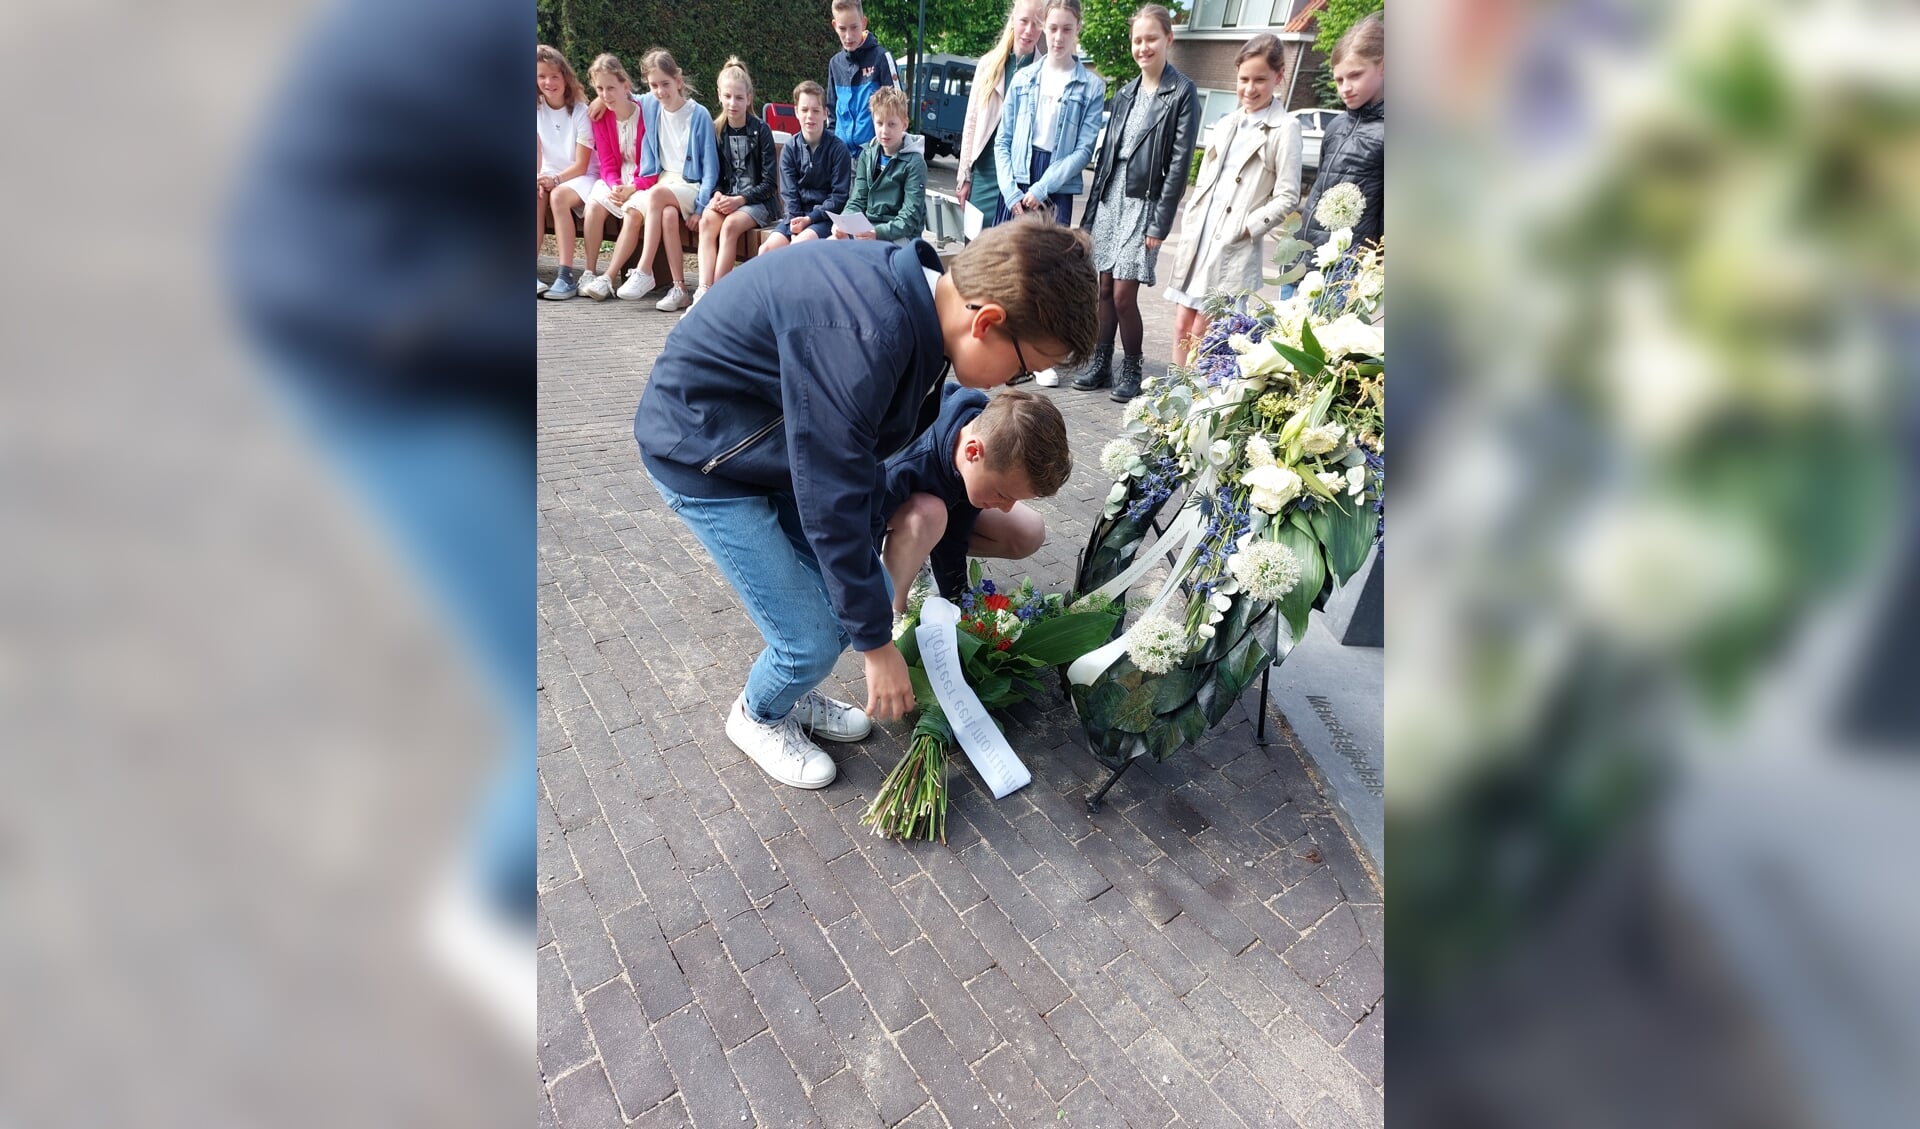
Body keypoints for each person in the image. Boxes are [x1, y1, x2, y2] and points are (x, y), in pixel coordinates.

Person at [632, 219, 1098, 789]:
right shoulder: (867, 336)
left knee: (861, 599)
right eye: (1025, 365)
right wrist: (877, 647)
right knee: (808, 637)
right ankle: (758, 715)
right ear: (988, 322)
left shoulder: (917, 320)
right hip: (708, 454)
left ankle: (794, 689)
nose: (1018, 380)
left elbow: (855, 467)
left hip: (771, 450)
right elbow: (831, 496)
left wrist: (871, 613)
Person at [1073, 4, 1199, 401]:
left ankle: (1133, 366)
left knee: (1125, 295)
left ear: (1168, 39)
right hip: (1112, 198)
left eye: (1151, 39)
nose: (1143, 47)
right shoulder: (1125, 92)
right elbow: (1108, 157)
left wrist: (1160, 224)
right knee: (1104, 289)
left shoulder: (1181, 92)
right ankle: (1101, 363)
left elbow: (1179, 165)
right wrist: (1091, 217)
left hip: (1143, 203)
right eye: (1137, 40)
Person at [1162, 33, 1301, 366]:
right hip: (1201, 237)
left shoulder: (1285, 128)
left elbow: (1288, 195)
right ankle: (1171, 393)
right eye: (1244, 79)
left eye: (1260, 80)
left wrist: (1247, 227)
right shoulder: (1226, 123)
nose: (1250, 89)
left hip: (1233, 243)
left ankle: (1195, 398)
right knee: (1182, 322)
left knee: (1205, 329)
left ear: (1279, 76)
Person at [880, 386, 1068, 622]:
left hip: (930, 505)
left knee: (1028, 531)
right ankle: (893, 608)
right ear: (973, 452)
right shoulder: (903, 463)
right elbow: (861, 529)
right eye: (1002, 494)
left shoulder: (985, 445)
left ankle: (915, 548)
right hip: (866, 506)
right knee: (929, 514)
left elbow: (954, 535)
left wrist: (956, 602)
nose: (1007, 507)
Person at [621, 48, 718, 311]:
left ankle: (644, 270)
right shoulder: (651, 104)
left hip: (691, 185)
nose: (660, 91)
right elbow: (624, 94)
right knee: (664, 214)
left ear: (678, 80)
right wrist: (597, 101)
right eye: (654, 85)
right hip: (666, 183)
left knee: (655, 195)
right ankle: (679, 289)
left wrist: (700, 207)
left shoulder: (699, 115)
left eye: (665, 84)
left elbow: (710, 169)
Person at [992, 0, 1105, 226]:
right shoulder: (1022, 79)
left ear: (1078, 28)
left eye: (1067, 29)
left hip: (1057, 185)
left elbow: (1083, 151)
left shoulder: (1092, 87)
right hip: (1017, 181)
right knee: (1005, 259)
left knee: (1047, 260)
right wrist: (1009, 190)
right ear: (1044, 26)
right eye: (1053, 28)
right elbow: (1003, 141)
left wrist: (1043, 187)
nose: (1058, 37)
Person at [692, 57, 780, 306]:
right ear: (719, 95)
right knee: (708, 221)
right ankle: (703, 289)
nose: (733, 103)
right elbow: (718, 176)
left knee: (730, 226)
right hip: (730, 198)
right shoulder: (717, 129)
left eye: (739, 98)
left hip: (759, 202)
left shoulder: (761, 131)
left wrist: (740, 199)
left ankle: (717, 297)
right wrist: (718, 195)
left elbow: (769, 184)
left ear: (749, 98)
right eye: (728, 96)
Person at [1297, 11, 1383, 251]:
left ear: (1383, 66)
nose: (1345, 88)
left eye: (1355, 75)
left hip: (1346, 273)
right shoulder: (1336, 126)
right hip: (1305, 262)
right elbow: (1318, 190)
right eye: (1339, 80)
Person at [954, 0, 1043, 230]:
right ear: (1013, 20)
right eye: (1024, 21)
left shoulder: (1044, 71)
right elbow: (971, 122)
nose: (1029, 30)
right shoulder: (988, 64)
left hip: (1019, 180)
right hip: (984, 173)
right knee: (975, 249)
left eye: (1036, 23)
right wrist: (964, 176)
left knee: (1008, 255)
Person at [578, 54, 656, 301]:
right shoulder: (600, 117)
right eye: (599, 89)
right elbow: (608, 162)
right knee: (593, 205)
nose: (605, 95)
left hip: (644, 181)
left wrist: (632, 188)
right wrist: (615, 186)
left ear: (625, 85)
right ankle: (589, 271)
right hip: (618, 179)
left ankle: (607, 278)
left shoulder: (647, 112)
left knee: (633, 213)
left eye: (611, 87)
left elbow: (654, 165)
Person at [537, 45, 599, 300]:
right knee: (536, 193)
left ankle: (565, 276)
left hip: (582, 177)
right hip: (551, 173)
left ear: (565, 77)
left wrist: (556, 180)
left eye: (554, 76)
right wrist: (540, 178)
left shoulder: (581, 111)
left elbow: (582, 165)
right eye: (541, 76)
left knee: (558, 196)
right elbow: (537, 155)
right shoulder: (535, 108)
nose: (548, 82)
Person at [759, 82, 852, 254]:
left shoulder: (839, 150)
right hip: (796, 218)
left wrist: (809, 220)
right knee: (764, 251)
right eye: (804, 110)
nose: (810, 116)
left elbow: (839, 198)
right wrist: (795, 223)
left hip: (824, 219)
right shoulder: (789, 149)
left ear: (825, 113)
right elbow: (789, 194)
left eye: (816, 110)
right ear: (796, 112)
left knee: (796, 249)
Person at [833, 87, 927, 246]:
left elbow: (910, 217)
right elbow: (857, 200)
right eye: (879, 123)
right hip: (869, 228)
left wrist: (878, 233)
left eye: (892, 124)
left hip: (901, 234)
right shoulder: (867, 154)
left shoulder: (915, 163)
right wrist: (843, 223)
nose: (885, 131)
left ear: (904, 124)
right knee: (830, 246)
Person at [826, 0, 898, 158]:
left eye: (854, 27)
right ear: (834, 26)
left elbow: (898, 110)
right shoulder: (835, 64)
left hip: (873, 157)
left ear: (864, 23)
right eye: (842, 29)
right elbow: (831, 114)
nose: (848, 36)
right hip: (841, 157)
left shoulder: (882, 58)